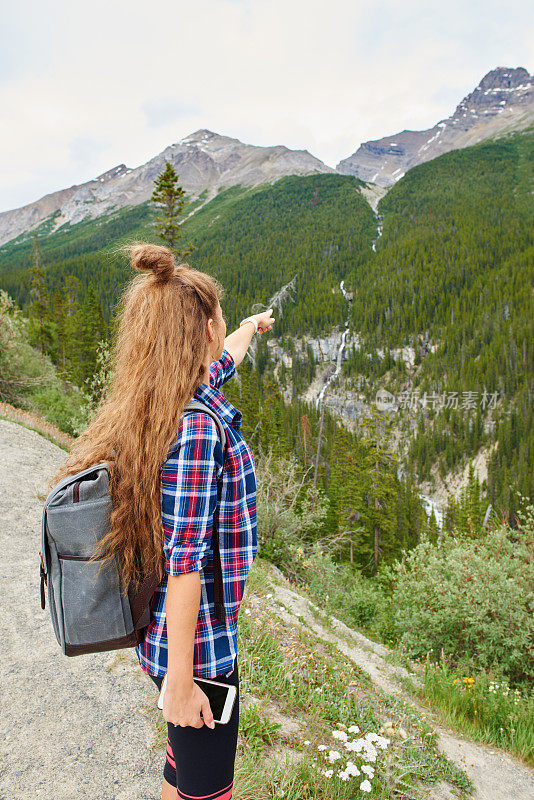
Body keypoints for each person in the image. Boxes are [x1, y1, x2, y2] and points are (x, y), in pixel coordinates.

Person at [48, 242, 274, 800]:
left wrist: (249, 326)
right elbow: (186, 564)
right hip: (200, 653)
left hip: (172, 644)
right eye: (219, 316)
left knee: (182, 769)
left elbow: (228, 359)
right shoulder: (197, 431)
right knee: (209, 789)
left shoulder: (164, 403)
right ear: (200, 331)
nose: (223, 326)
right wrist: (180, 682)